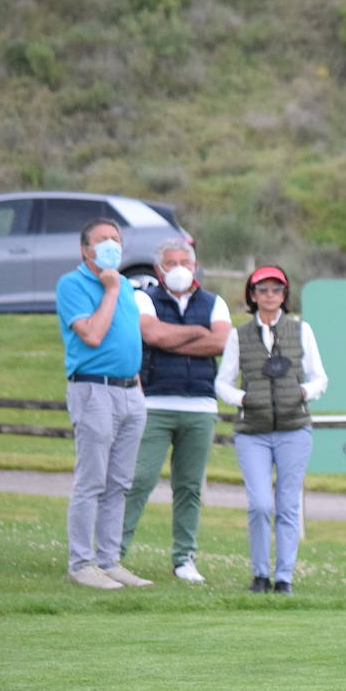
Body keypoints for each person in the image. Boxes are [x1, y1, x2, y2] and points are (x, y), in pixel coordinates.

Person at [120, 239, 231, 583]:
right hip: (155, 402)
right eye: (171, 262)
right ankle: (112, 553)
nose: (179, 267)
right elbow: (152, 335)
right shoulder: (144, 298)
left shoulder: (215, 302)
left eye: (185, 261)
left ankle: (184, 558)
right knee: (139, 479)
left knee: (189, 486)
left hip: (200, 404)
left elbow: (221, 342)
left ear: (195, 266)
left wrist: (179, 337)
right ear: (159, 269)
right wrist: (197, 332)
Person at [213, 265, 327, 595]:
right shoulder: (239, 335)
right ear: (252, 295)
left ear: (284, 295)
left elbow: (319, 377)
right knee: (261, 504)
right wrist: (242, 398)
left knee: (288, 506)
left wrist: (305, 392)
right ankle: (260, 573)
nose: (270, 295)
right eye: (262, 290)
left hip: (294, 429)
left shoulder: (301, 331)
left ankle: (284, 578)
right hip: (253, 431)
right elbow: (223, 381)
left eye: (276, 290)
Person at [55, 217, 154, 590]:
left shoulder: (127, 287)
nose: (112, 244)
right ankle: (82, 563)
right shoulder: (73, 284)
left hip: (131, 391)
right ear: (86, 250)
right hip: (94, 390)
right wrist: (110, 289)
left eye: (116, 239)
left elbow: (129, 342)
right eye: (103, 240)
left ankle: (109, 561)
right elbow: (93, 335)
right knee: (91, 480)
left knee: (119, 482)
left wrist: (138, 388)